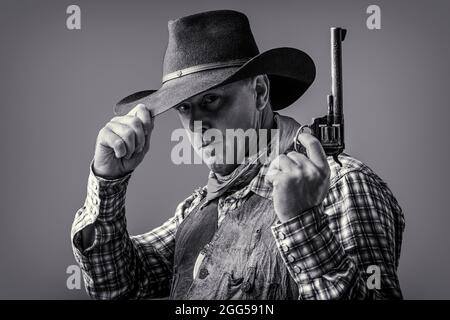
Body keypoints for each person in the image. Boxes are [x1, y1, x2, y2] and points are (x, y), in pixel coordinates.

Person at [71, 10, 405, 300]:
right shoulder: (196, 209)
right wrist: (108, 180)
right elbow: (115, 284)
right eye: (185, 107)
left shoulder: (343, 184)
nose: (196, 125)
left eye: (211, 100)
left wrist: (303, 222)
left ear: (260, 91)